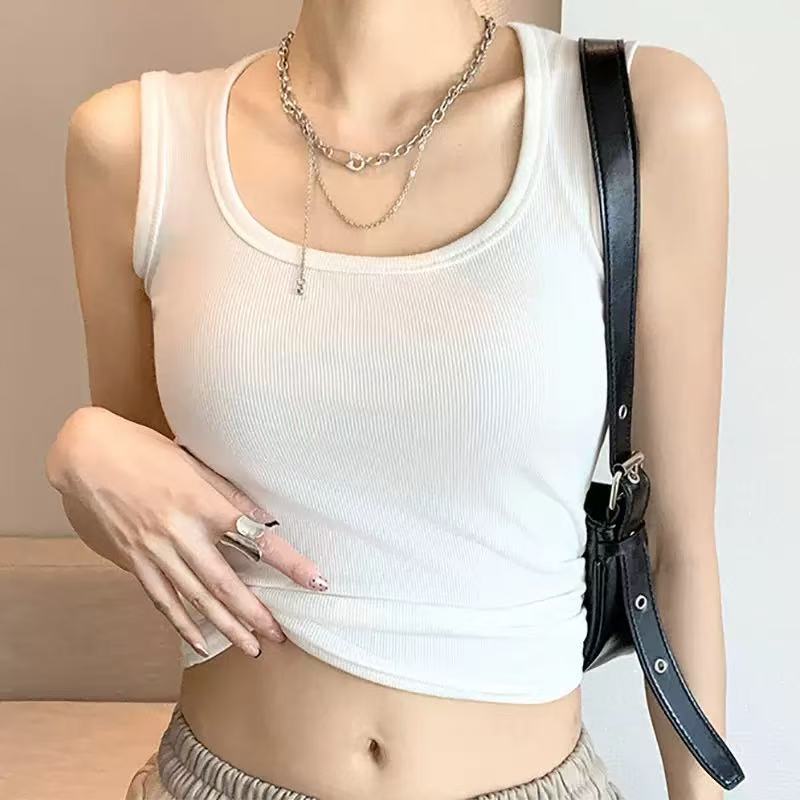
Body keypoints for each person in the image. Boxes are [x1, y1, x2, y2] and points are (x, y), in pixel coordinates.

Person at [48, 0, 731, 797]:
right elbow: (153, 527)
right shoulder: (135, 145)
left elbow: (677, 548)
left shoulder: (637, 112)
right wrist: (80, 451)